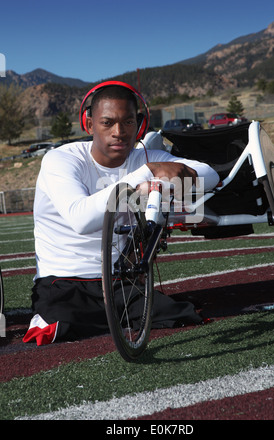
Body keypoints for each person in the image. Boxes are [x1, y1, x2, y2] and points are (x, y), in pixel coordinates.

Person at [23, 81, 219, 345]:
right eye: (107, 123)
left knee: (182, 315)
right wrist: (146, 174)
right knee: (60, 326)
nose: (119, 132)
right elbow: (82, 220)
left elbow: (210, 175)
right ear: (89, 125)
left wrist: (171, 175)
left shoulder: (145, 157)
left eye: (127, 123)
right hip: (63, 281)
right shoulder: (61, 159)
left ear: (138, 124)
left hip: (117, 282)